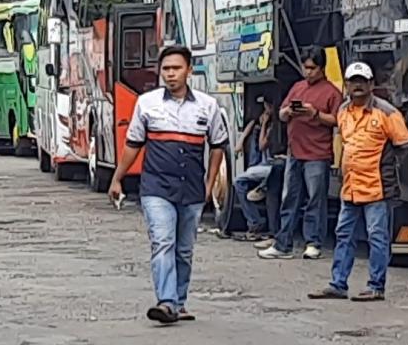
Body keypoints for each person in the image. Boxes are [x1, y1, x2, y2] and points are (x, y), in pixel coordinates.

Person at [107, 46, 228, 324]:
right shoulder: (147, 103)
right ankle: (166, 301)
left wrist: (210, 184)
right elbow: (133, 144)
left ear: (189, 70)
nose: (171, 74)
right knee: (163, 242)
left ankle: (178, 302)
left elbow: (218, 146)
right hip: (156, 188)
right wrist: (117, 178)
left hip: (192, 190)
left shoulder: (207, 107)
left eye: (176, 68)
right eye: (166, 69)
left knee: (184, 250)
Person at [308, 61, 408, 302]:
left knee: (377, 237)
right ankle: (338, 284)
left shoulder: (386, 113)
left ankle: (376, 286)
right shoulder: (343, 111)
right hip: (351, 187)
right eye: (353, 81)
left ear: (371, 85)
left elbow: (403, 146)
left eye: (362, 81)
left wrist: (386, 171)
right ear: (346, 85)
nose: (357, 86)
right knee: (343, 235)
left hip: (376, 188)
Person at [258, 47, 342, 260]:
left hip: (318, 154)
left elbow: (337, 121)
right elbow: (282, 114)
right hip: (294, 152)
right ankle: (283, 243)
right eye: (305, 68)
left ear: (322, 68)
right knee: (290, 199)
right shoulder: (297, 87)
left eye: (312, 68)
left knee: (316, 199)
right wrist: (288, 112)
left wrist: (315, 114)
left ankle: (313, 242)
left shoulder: (332, 92)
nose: (307, 72)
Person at [232, 94, 282, 241]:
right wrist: (240, 141)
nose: (266, 109)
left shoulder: (275, 125)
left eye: (268, 106)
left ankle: (255, 221)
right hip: (261, 164)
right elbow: (252, 124)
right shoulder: (261, 119)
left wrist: (265, 125)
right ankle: (261, 187)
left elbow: (261, 145)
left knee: (239, 181)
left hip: (269, 165)